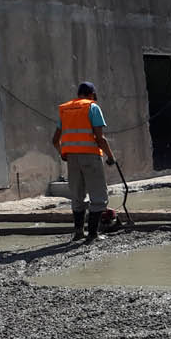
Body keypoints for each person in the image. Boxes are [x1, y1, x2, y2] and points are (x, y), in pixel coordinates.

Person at [52, 81, 117, 242]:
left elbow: (55, 140)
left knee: (77, 195)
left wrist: (62, 153)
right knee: (98, 196)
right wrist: (111, 157)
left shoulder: (65, 109)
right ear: (92, 94)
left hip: (71, 158)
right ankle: (93, 234)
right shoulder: (92, 107)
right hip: (90, 157)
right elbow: (100, 138)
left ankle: (78, 233)